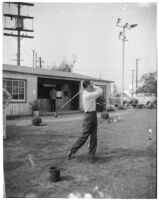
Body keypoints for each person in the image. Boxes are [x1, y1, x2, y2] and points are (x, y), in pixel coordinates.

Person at [67, 80, 103, 163]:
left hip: (93, 114)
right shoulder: (88, 95)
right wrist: (94, 86)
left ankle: (91, 156)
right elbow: (100, 90)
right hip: (89, 116)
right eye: (90, 86)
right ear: (86, 87)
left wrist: (91, 86)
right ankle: (72, 150)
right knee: (84, 136)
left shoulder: (88, 92)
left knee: (94, 137)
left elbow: (97, 90)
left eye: (91, 86)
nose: (91, 87)